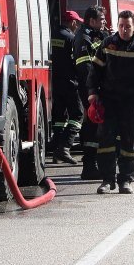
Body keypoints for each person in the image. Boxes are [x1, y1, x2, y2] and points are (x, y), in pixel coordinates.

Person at [87, 10, 134, 194]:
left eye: (127, 26)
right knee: (106, 142)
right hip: (109, 100)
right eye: (121, 26)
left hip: (131, 101)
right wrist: (92, 93)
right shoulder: (107, 44)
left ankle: (125, 180)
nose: (124, 30)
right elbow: (94, 71)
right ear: (117, 25)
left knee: (130, 143)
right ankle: (107, 180)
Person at [73, 6, 107, 179]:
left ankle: (94, 164)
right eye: (101, 19)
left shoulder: (95, 35)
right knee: (91, 128)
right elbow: (86, 68)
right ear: (92, 20)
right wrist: (94, 91)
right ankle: (89, 166)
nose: (104, 22)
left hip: (95, 90)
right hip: (90, 91)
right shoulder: (83, 37)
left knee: (96, 127)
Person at [48, 10, 84, 165]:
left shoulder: (52, 35)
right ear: (73, 22)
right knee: (77, 115)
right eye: (77, 23)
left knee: (59, 118)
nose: (77, 26)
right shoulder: (72, 38)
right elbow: (76, 60)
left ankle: (57, 150)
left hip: (56, 82)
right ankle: (65, 148)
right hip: (71, 82)